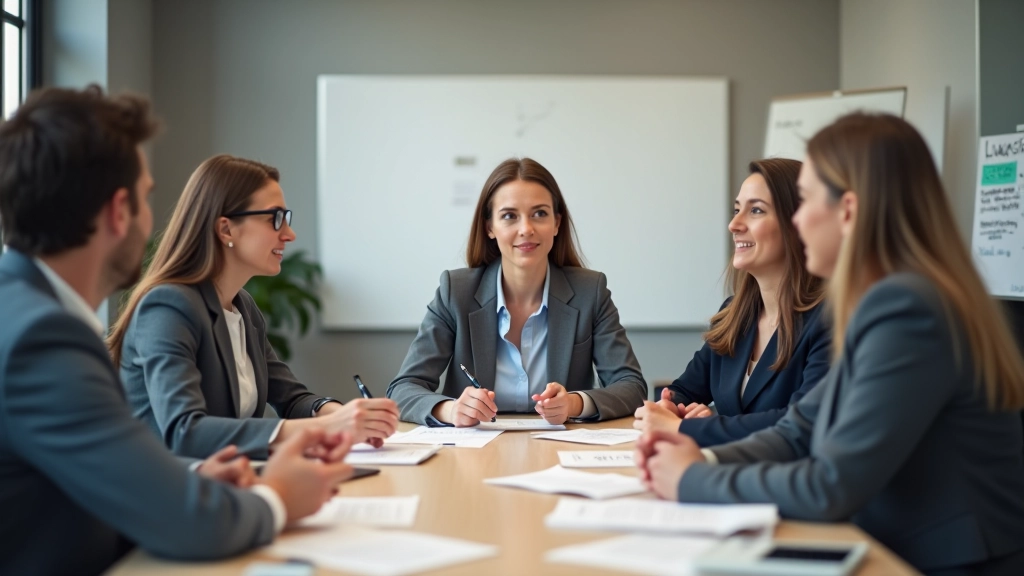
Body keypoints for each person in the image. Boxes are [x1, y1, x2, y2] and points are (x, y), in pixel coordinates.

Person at [636, 113, 1024, 575]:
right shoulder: (882, 298)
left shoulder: (908, 307)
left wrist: (693, 478)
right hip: (894, 545)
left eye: (803, 201)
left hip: (943, 562)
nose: (797, 220)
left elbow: (831, 484)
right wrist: (697, 455)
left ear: (849, 210)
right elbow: (800, 429)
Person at [0, 86, 354, 576]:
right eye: (147, 198)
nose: (154, 219)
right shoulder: (41, 339)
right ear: (118, 211)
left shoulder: (23, 313)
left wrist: (190, 479)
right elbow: (185, 513)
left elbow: (87, 487)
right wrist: (278, 497)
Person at [108, 154, 399, 460]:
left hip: (228, 484)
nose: (289, 234)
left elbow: (291, 398)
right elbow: (186, 432)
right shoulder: (168, 307)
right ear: (226, 230)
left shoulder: (242, 306)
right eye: (274, 218)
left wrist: (340, 417)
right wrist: (324, 428)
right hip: (168, 495)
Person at [387, 158, 646, 426]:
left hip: (561, 451)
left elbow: (632, 386)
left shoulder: (589, 292)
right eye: (509, 216)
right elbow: (403, 388)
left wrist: (574, 403)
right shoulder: (456, 292)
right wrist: (451, 410)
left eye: (540, 214)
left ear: (557, 223)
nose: (526, 229)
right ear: (489, 227)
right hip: (472, 455)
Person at [634, 159, 830, 446]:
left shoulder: (830, 318)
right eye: (737, 210)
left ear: (798, 224)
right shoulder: (734, 313)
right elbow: (683, 391)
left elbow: (800, 423)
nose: (734, 225)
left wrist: (695, 428)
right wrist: (671, 408)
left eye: (756, 210)